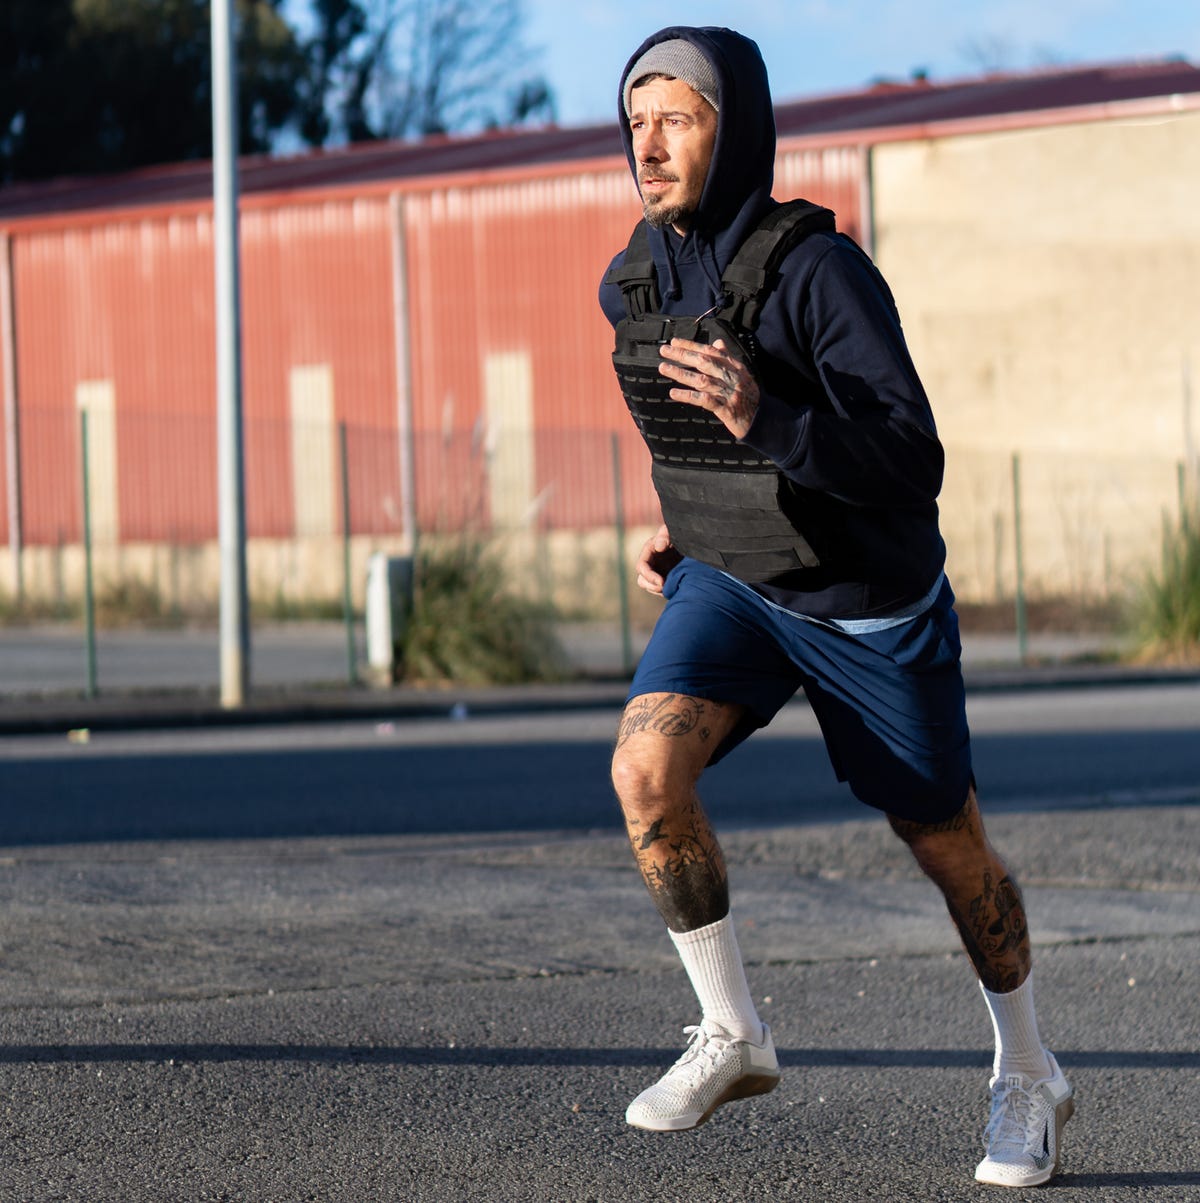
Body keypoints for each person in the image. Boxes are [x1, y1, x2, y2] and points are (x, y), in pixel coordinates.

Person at [597, 26, 1074, 1188]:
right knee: (644, 772)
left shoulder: (821, 272)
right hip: (736, 583)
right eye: (637, 120)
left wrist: (771, 424)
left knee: (946, 845)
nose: (649, 145)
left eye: (679, 118)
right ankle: (733, 1031)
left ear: (736, 128)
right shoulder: (636, 278)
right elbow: (684, 426)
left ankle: (1028, 1069)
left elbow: (914, 461)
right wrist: (687, 516)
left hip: (868, 600)